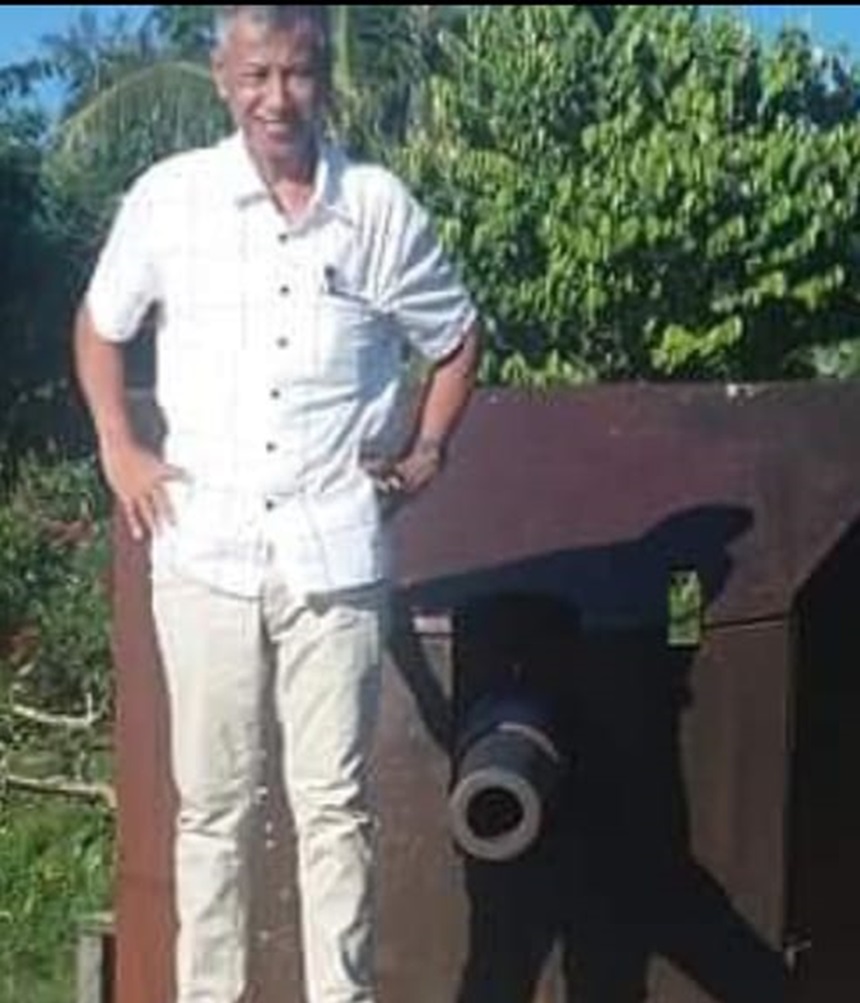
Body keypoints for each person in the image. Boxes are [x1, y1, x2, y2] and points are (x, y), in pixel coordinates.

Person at [73, 6, 481, 1003]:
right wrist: (120, 446)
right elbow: (100, 325)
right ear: (222, 77)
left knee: (334, 808)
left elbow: (456, 335)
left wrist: (427, 448)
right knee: (211, 808)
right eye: (256, 74)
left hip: (333, 549)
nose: (276, 97)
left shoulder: (376, 208)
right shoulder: (172, 198)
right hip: (202, 547)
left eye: (296, 74)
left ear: (323, 79)